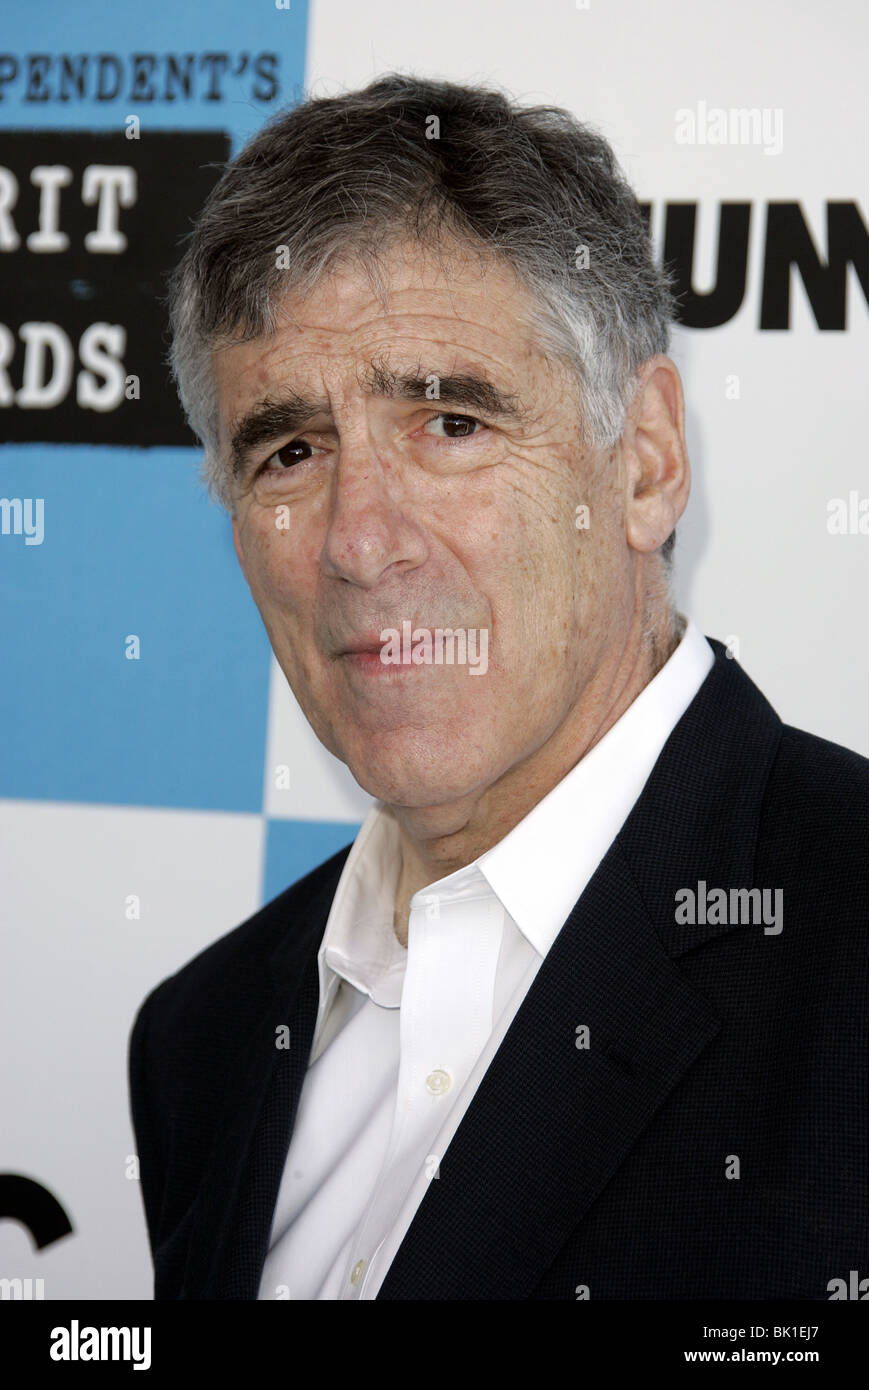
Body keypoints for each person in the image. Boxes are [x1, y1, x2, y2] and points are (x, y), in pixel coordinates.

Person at [128, 73, 868, 1300]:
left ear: (644, 461)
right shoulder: (201, 1037)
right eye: (292, 450)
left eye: (450, 422)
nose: (360, 542)